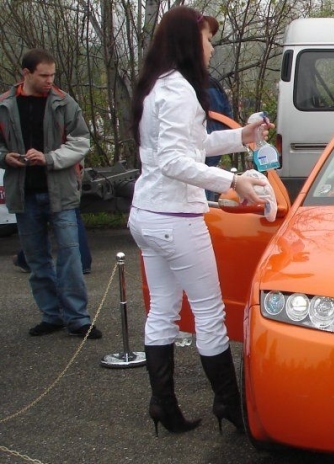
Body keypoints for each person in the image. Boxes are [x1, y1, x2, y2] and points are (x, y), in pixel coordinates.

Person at [129, 6, 271, 437]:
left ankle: (163, 406)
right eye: (207, 39)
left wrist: (240, 137)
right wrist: (234, 181)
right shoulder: (179, 92)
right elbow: (176, 160)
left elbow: (192, 146)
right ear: (190, 43)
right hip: (175, 217)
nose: (211, 47)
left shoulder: (160, 86)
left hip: (148, 217)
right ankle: (228, 405)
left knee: (163, 312)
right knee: (209, 313)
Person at [0, 49, 102, 340]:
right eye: (44, 75)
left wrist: (49, 158)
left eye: (52, 75)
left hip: (61, 191)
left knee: (70, 256)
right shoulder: (5, 105)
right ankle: (51, 315)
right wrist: (5, 157)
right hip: (24, 193)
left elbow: (81, 141)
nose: (49, 80)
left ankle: (78, 319)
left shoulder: (63, 101)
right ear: (26, 73)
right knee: (37, 260)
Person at [203, 16, 235, 201]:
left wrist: (244, 135)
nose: (212, 49)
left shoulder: (208, 85)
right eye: (208, 40)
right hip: (201, 173)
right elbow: (218, 126)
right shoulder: (194, 88)